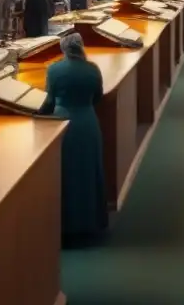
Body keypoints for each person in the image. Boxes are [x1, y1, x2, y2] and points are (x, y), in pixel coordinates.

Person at [37, 33, 108, 245]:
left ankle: (66, 226)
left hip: (63, 124)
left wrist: (37, 114)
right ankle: (90, 223)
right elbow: (98, 96)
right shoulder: (92, 69)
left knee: (67, 175)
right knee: (88, 172)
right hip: (88, 123)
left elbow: (49, 101)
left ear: (64, 49)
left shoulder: (54, 70)